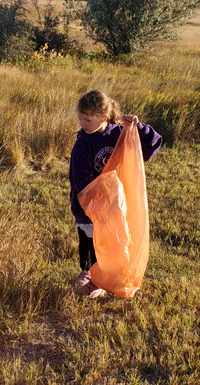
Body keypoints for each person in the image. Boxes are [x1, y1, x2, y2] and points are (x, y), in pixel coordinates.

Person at [69, 90, 162, 298]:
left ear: (103, 117)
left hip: (117, 205)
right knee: (90, 240)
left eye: (87, 119)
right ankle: (88, 274)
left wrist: (137, 127)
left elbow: (150, 144)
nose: (83, 124)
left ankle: (107, 277)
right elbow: (80, 178)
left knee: (115, 241)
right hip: (90, 206)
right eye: (80, 119)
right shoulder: (83, 143)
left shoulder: (119, 134)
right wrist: (97, 199)